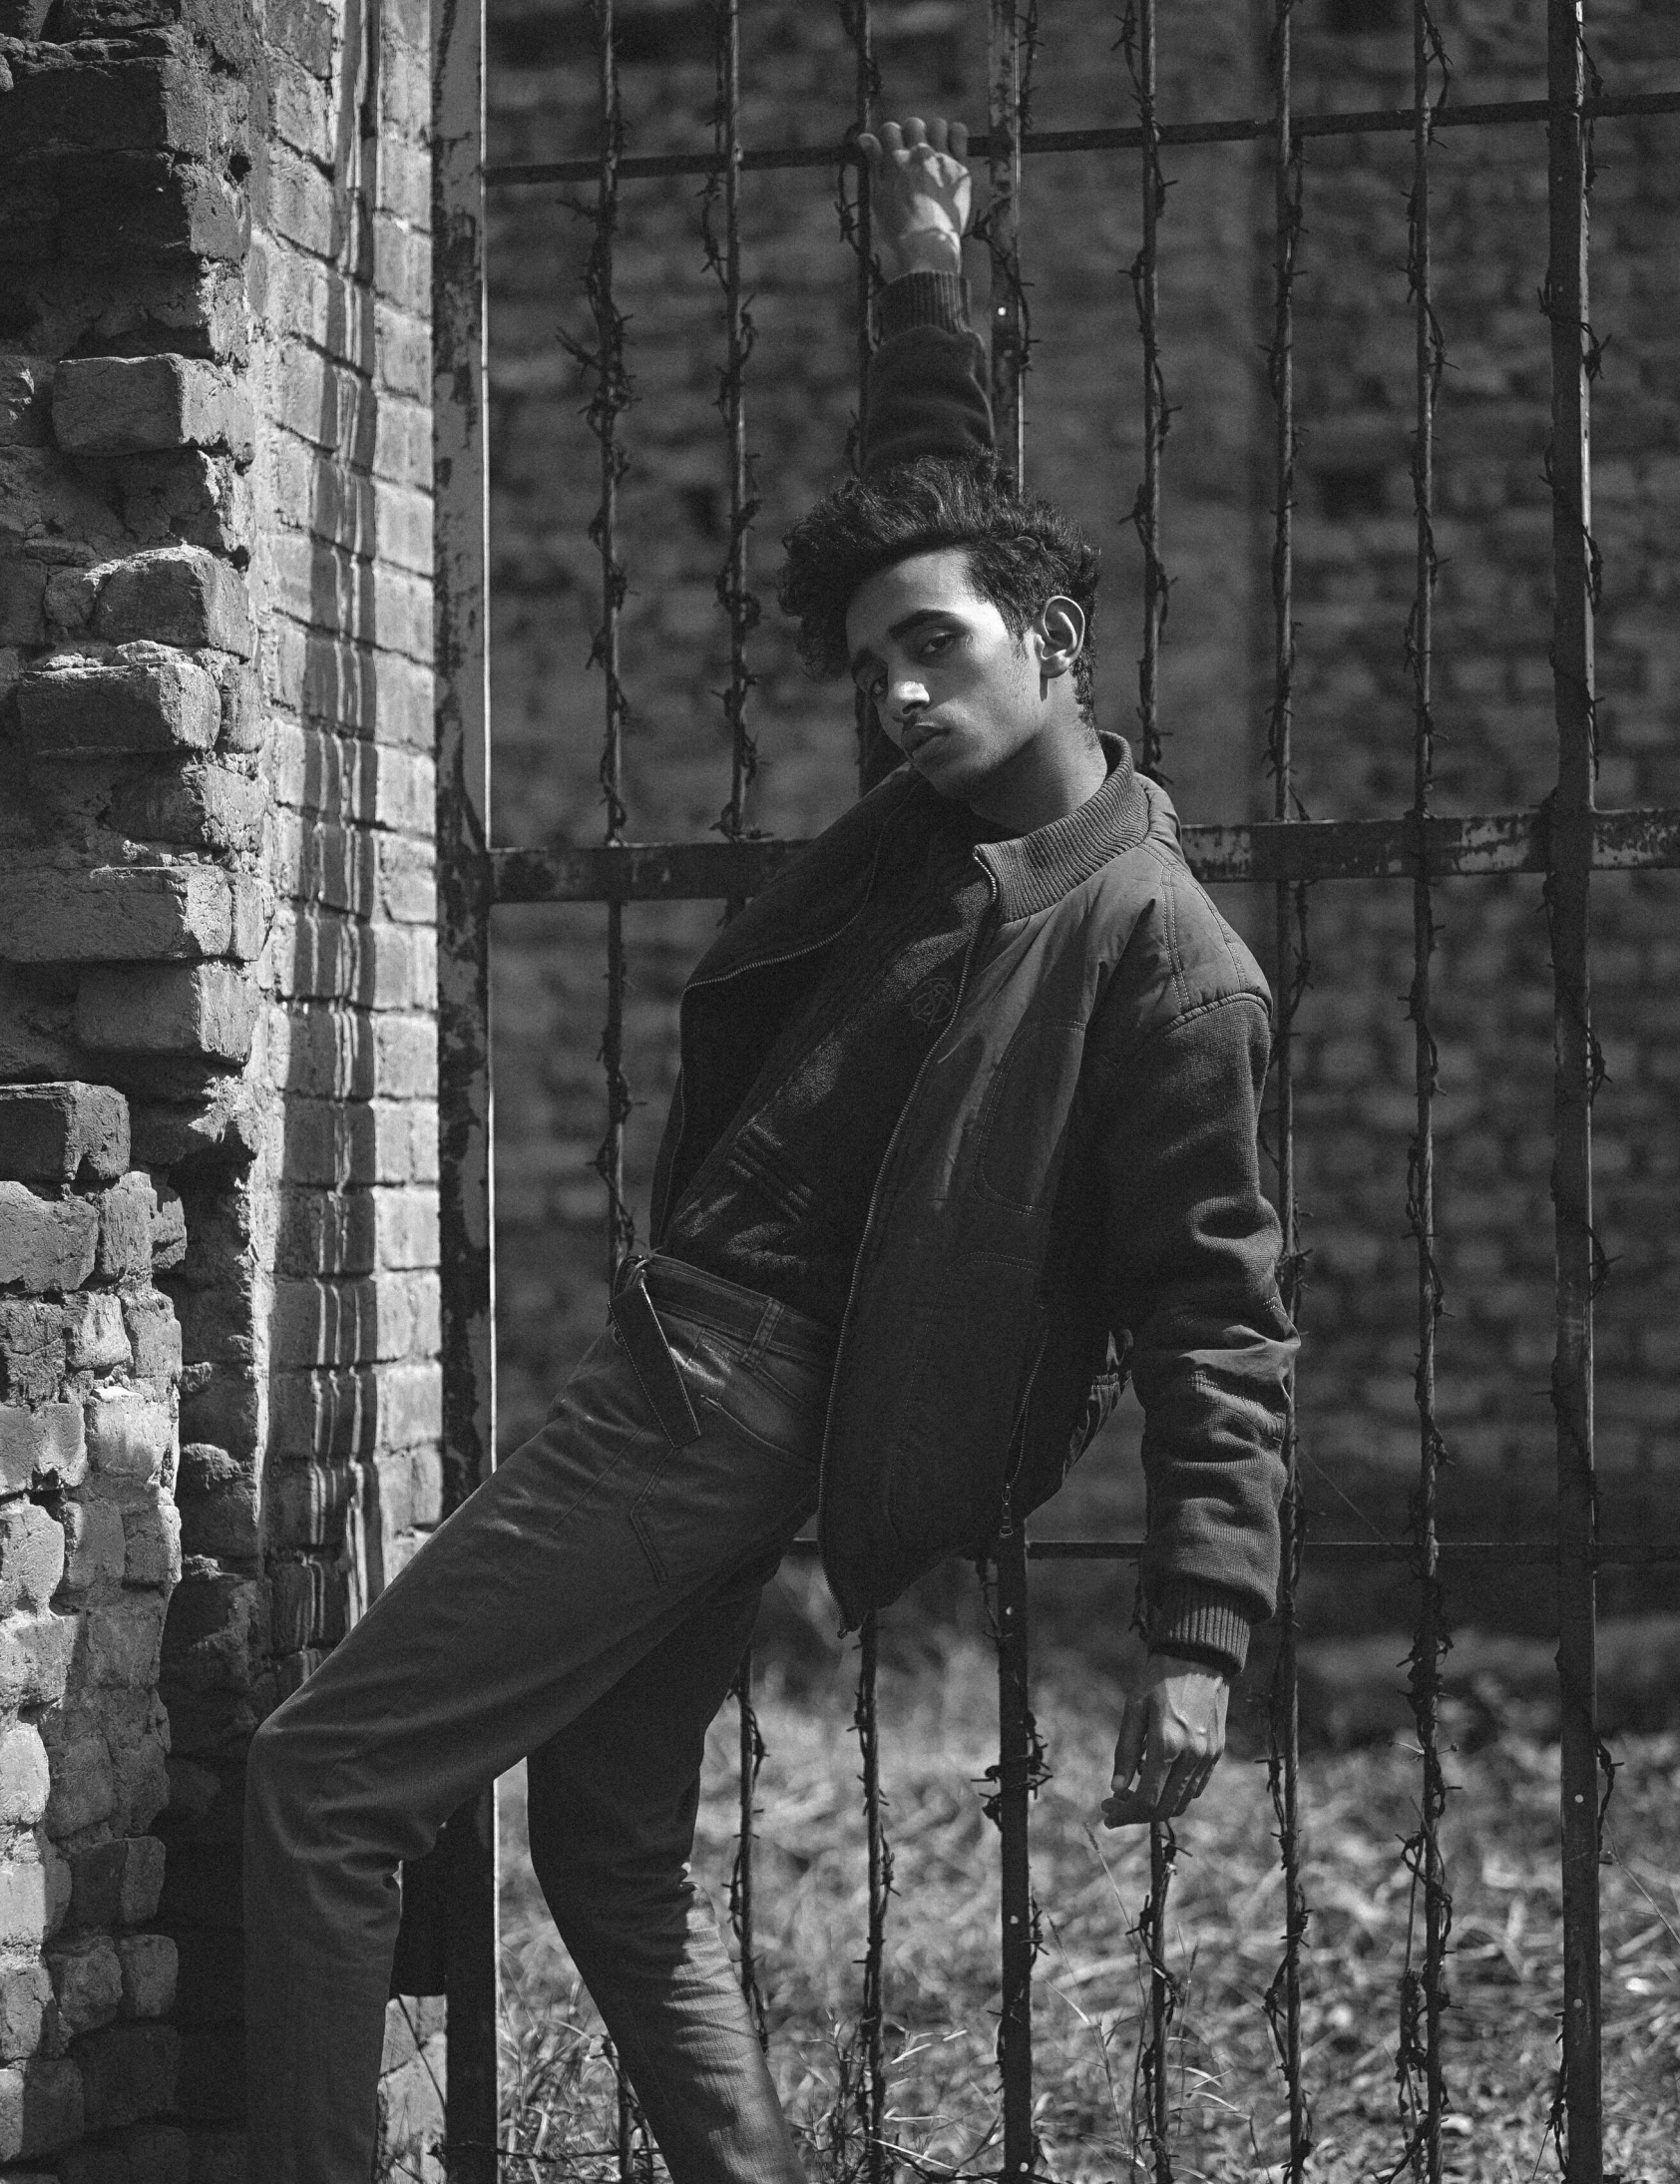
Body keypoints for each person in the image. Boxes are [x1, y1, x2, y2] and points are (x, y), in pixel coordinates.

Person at [243, 115, 1295, 2184]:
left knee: (320, 1785)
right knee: (607, 1842)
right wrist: (920, 275)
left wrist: (1195, 1633)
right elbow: (935, 497)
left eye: (944, 648)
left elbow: (1218, 1310)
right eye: (879, 657)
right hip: (722, 1382)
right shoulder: (948, 816)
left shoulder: (1161, 954)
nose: (901, 691)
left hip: (717, 1399)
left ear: (1056, 643)